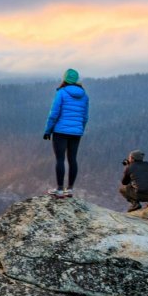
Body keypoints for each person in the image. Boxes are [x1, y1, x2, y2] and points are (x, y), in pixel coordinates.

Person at [43, 68, 89, 198]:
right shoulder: (84, 95)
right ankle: (70, 189)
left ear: (65, 79)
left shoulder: (61, 93)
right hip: (76, 133)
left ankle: (59, 189)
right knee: (72, 159)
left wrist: (48, 130)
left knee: (60, 159)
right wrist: (80, 129)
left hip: (60, 131)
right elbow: (85, 117)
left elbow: (54, 114)